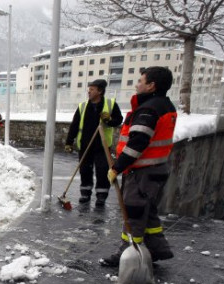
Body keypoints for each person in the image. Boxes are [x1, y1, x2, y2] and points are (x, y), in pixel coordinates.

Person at [100, 66, 177, 267]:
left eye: (141, 81)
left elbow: (138, 143)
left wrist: (117, 167)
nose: (137, 84)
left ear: (152, 85)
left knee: (133, 211)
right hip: (156, 169)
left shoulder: (149, 109)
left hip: (142, 171)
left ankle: (128, 253)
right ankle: (158, 249)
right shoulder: (164, 105)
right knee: (148, 211)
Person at [64, 79, 123, 207]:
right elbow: (74, 125)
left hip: (102, 146)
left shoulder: (110, 104)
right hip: (84, 145)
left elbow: (118, 120)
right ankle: (85, 194)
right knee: (85, 170)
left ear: (100, 91)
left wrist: (109, 120)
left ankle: (101, 196)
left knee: (102, 171)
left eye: (92, 89)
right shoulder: (83, 106)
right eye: (89, 89)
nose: (89, 92)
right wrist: (69, 142)